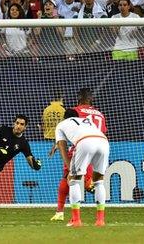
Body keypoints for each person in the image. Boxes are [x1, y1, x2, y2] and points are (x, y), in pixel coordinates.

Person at [50, 88, 104, 221]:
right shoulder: (100, 114)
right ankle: (99, 217)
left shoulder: (75, 111)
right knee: (97, 181)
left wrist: (57, 144)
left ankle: (68, 215)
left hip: (80, 146)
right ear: (91, 98)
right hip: (100, 145)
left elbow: (68, 129)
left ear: (78, 97)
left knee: (69, 178)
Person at [55, 109, 109, 227]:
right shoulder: (86, 120)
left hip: (85, 142)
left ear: (64, 117)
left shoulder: (61, 125)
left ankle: (76, 220)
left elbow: (62, 147)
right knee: (99, 181)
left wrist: (70, 168)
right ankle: (100, 220)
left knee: (73, 180)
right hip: (103, 141)